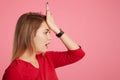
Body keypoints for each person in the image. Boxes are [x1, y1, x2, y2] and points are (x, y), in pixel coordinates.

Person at [2, 2, 85, 80]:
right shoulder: (15, 71)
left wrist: (55, 28)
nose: (50, 38)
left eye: (50, 32)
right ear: (30, 34)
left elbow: (78, 54)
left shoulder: (48, 58)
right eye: (45, 32)